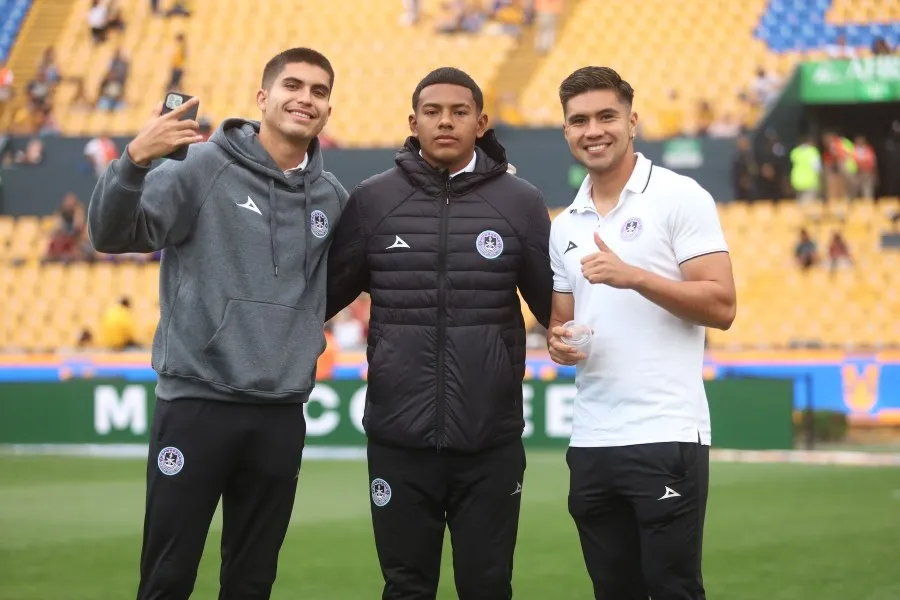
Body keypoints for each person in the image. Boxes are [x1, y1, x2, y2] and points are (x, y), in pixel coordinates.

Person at [87, 47, 348, 600]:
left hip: (279, 412)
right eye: (293, 85)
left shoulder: (333, 199)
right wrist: (134, 159)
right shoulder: (201, 166)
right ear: (263, 98)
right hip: (196, 403)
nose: (305, 98)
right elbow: (112, 235)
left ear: (327, 109)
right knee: (168, 576)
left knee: (252, 581)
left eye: (319, 91)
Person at [326, 67, 553, 599]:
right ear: (413, 121)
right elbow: (318, 298)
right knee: (405, 587)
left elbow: (555, 308)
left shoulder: (521, 202)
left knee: (488, 585)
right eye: (433, 112)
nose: (445, 121)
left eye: (459, 111)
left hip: (489, 440)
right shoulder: (372, 201)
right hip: (398, 438)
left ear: (481, 122)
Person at [546, 66, 736, 600]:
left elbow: (721, 305)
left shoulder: (680, 196)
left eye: (607, 116)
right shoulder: (564, 225)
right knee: (612, 590)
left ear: (633, 122)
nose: (593, 130)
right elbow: (562, 329)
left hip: (665, 432)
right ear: (566, 131)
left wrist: (636, 277)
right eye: (579, 120)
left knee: (673, 589)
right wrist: (558, 344)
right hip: (590, 439)